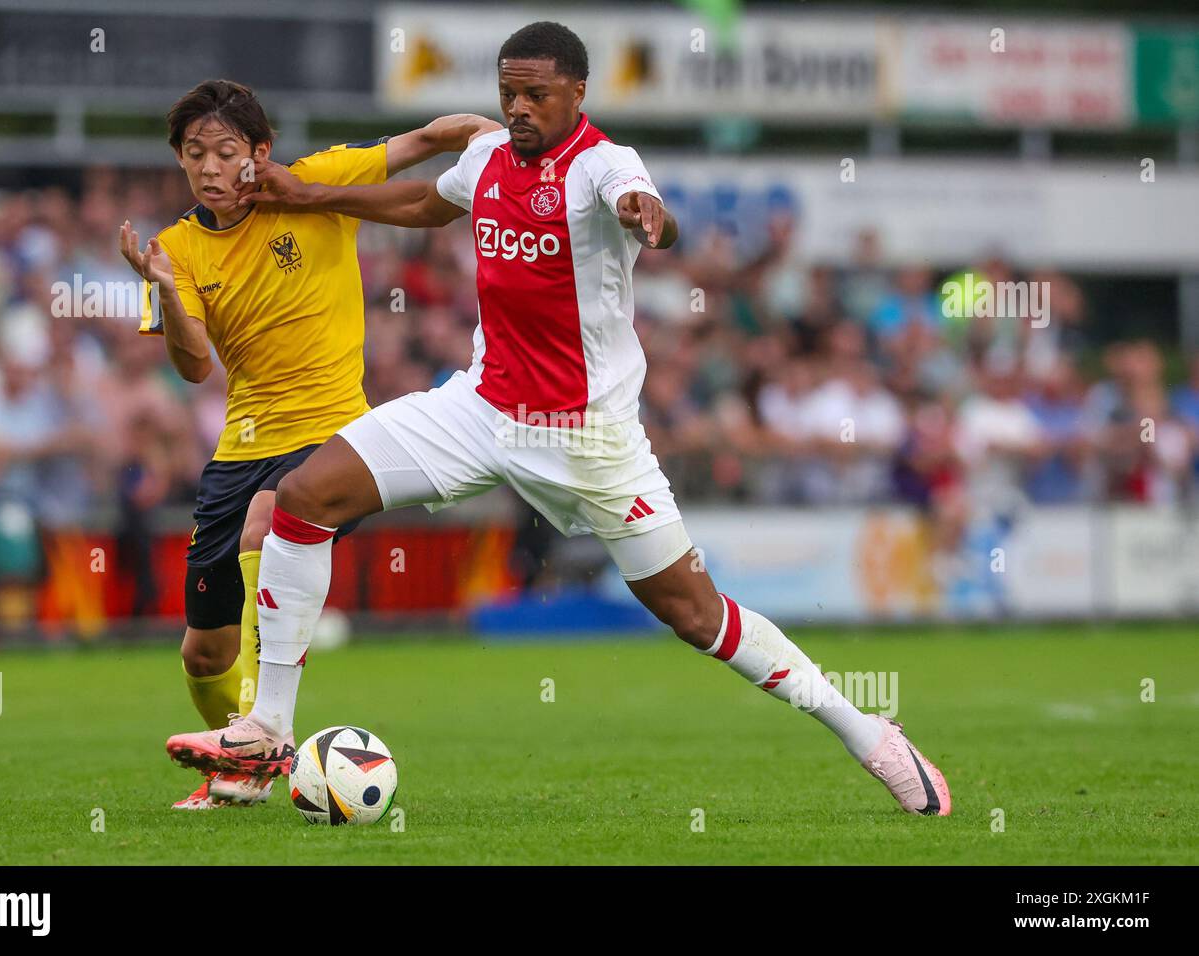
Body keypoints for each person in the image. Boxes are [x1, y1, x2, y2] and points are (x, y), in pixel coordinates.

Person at [166, 25, 950, 816]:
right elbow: (421, 201)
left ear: (577, 93)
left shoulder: (605, 166)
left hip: (586, 436)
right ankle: (267, 724)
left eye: (536, 94)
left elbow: (651, 212)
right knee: (304, 498)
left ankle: (866, 732)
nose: (518, 108)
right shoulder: (487, 161)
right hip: (479, 406)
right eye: (508, 92)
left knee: (693, 613)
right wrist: (313, 195)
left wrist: (650, 214)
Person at [119, 78, 498, 809]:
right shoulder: (175, 250)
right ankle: (240, 768)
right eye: (193, 154)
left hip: (331, 437)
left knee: (272, 515)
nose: (207, 168)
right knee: (203, 653)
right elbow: (195, 366)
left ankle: (266, 732)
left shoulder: (317, 181)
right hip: (239, 448)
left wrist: (498, 138)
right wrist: (165, 290)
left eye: (224, 151)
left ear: (260, 152)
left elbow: (425, 140)